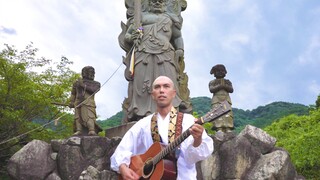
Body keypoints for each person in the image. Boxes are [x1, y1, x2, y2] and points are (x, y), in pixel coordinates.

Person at [111, 76, 214, 179]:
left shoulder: (189, 121)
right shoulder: (143, 124)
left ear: (174, 93)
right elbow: (121, 151)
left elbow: (194, 157)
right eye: (157, 87)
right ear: (152, 95)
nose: (161, 90)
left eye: (166, 86)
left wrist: (198, 139)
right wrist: (123, 167)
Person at [122, 0, 186, 121]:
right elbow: (128, 35)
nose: (157, 3)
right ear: (149, 4)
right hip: (143, 53)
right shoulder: (140, 17)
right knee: (142, 85)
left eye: (160, 1)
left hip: (165, 53)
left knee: (168, 82)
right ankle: (140, 111)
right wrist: (132, 37)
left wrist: (180, 49)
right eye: (154, 1)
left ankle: (171, 109)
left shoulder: (169, 19)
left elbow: (177, 37)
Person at [68, 66, 102, 136]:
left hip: (88, 102)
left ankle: (91, 130)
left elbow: (94, 90)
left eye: (93, 73)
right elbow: (73, 93)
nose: (92, 74)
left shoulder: (96, 83)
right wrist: (71, 101)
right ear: (84, 73)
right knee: (78, 117)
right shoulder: (76, 83)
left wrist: (83, 85)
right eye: (90, 72)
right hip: (78, 102)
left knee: (89, 116)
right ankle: (79, 130)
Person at [209, 64, 234, 132]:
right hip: (216, 99)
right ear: (214, 72)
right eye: (218, 71)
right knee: (217, 113)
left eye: (222, 71)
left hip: (226, 98)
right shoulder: (212, 82)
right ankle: (218, 128)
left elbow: (231, 90)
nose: (220, 72)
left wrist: (224, 86)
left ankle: (228, 127)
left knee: (228, 114)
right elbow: (211, 89)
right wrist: (220, 86)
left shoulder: (228, 82)